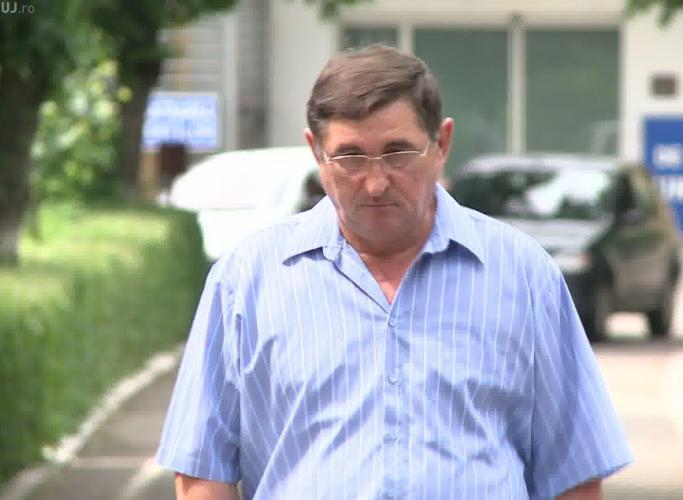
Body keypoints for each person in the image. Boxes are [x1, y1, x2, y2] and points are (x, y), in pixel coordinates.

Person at [156, 44, 632, 499]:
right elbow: (203, 473)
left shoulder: (523, 276)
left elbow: (573, 474)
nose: (376, 182)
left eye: (398, 152)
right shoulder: (248, 281)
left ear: (441, 143)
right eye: (351, 157)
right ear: (316, 152)